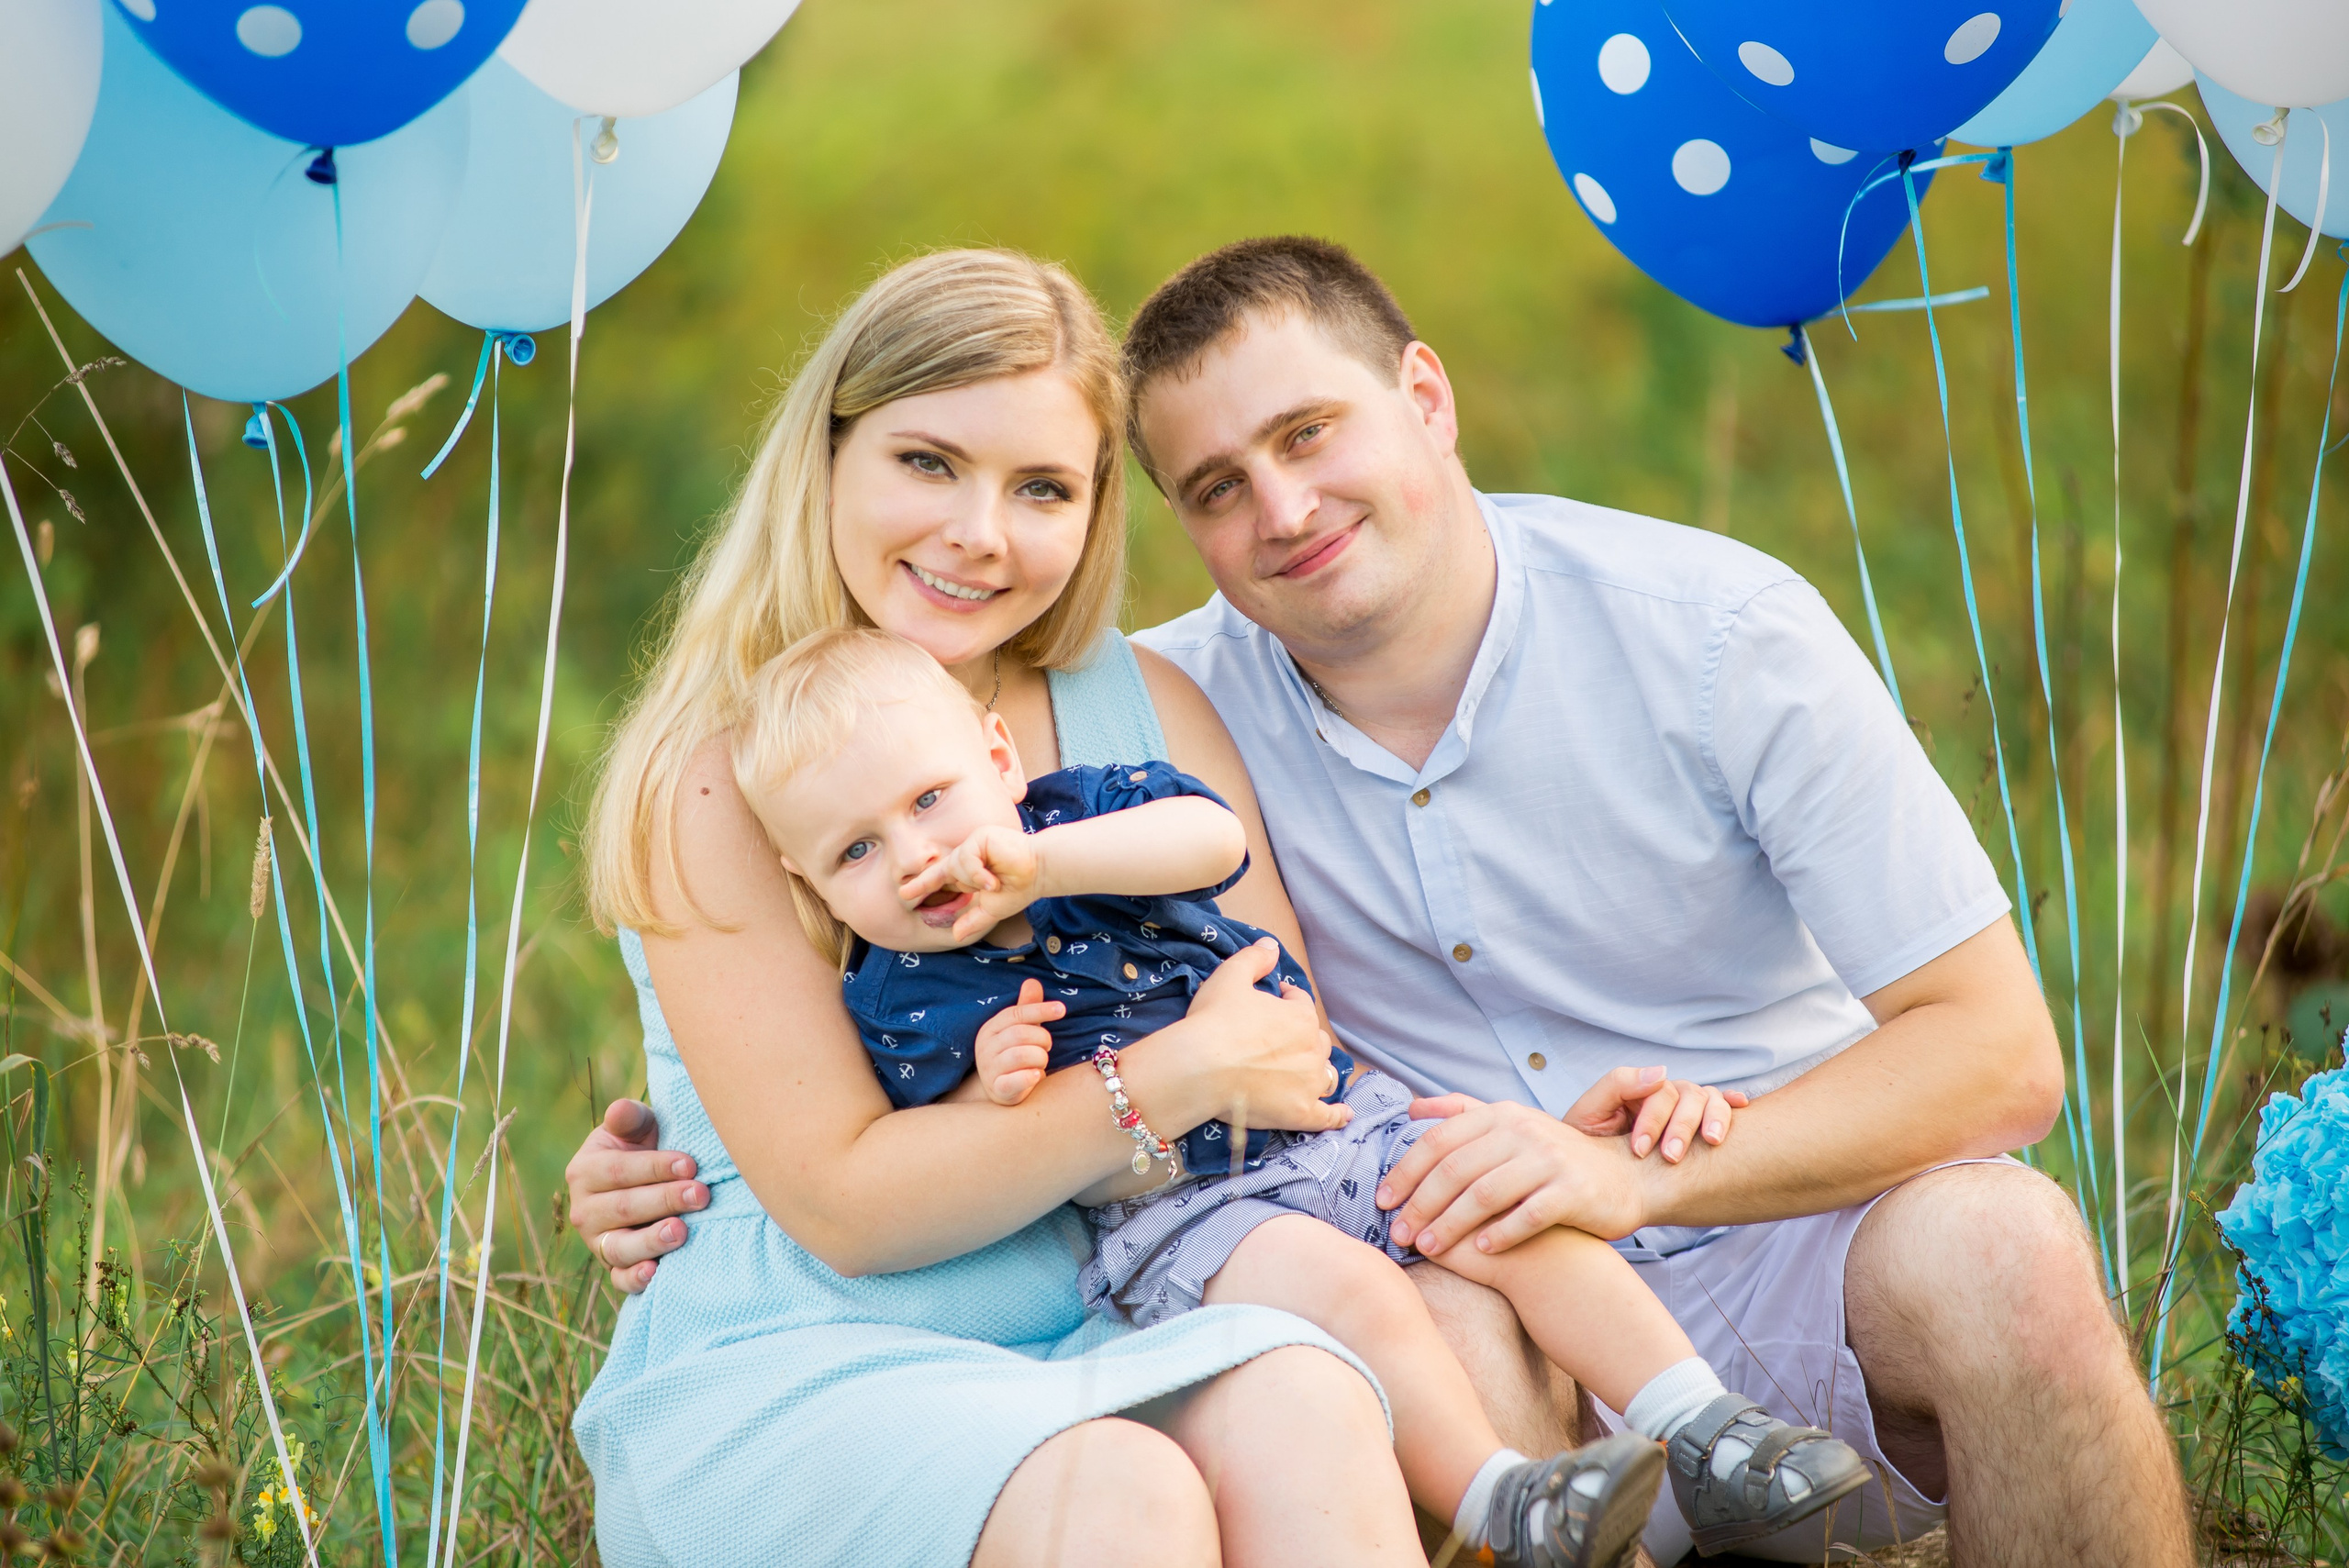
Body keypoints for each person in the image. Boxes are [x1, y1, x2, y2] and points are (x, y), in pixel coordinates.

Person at [573, 236, 2197, 1568]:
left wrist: (1613, 1165)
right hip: (1374, 1249)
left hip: (1717, 1207)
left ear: (1426, 396)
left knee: (2002, 1248)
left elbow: (2000, 1058)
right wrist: (664, 1143)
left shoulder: (1702, 634)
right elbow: (850, 1110)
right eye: (1215, 485)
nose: (1279, 512)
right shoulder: (1132, 695)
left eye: (1309, 436)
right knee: (1375, 1340)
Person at [569, 246, 1457, 1568]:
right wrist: (1164, 1081)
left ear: (1096, 512)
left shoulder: (1139, 707)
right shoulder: (720, 772)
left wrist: (1192, 1092)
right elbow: (858, 1207)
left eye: (1040, 487)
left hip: (1120, 1287)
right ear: (828, 456)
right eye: (927, 462)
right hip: (823, 1340)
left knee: (1304, 1391)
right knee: (1122, 1491)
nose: (979, 532)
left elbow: (1280, 1043)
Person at [731, 622, 1870, 1563]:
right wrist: (991, 1091)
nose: (917, 856)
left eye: (929, 800)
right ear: (807, 880)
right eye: (856, 853)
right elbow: (937, 1149)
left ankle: (1701, 1424)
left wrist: (1051, 864)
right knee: (1353, 1290)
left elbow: (1208, 836)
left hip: (1333, 1119)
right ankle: (1504, 1501)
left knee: (1506, 1207)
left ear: (995, 754)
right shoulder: (904, 991)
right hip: (1186, 1213)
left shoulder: (1075, 816)